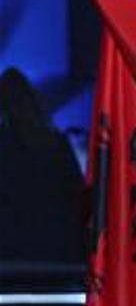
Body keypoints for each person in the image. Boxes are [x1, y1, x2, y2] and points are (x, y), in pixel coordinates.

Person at [0, 67, 85, 265]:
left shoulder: (55, 144)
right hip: (56, 250)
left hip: (14, 254)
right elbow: (77, 193)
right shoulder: (56, 144)